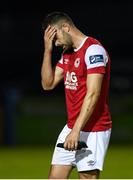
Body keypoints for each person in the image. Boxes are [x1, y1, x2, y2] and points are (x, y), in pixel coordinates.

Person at [41, 11, 112, 179]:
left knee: (87, 177)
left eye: (55, 36)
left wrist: (76, 132)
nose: (55, 43)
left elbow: (93, 94)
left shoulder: (94, 50)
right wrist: (47, 50)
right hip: (73, 126)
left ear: (65, 27)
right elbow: (47, 84)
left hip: (94, 129)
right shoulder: (67, 53)